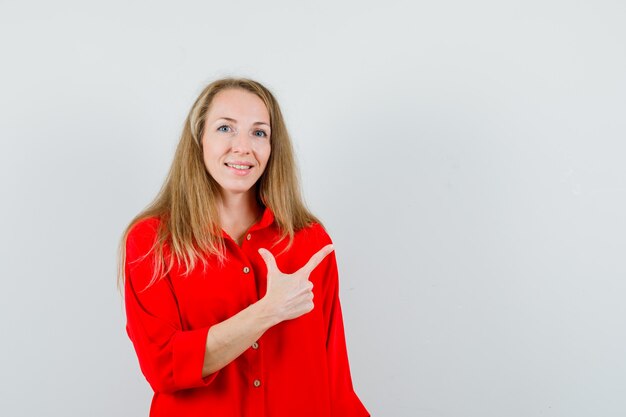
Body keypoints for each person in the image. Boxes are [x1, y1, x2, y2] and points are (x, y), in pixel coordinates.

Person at [118, 78, 369, 417]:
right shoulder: (152, 240)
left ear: (272, 147)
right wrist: (268, 311)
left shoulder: (310, 240)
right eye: (225, 128)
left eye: (259, 132)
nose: (243, 147)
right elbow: (164, 367)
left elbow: (336, 379)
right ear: (199, 140)